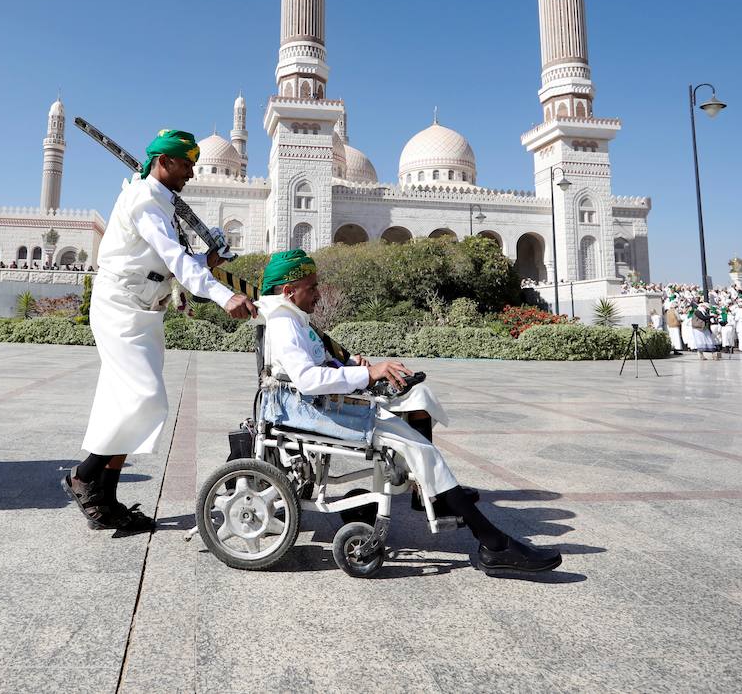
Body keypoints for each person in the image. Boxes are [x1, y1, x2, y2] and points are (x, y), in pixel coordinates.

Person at [257, 249, 561, 575]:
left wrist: (352, 366)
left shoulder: (290, 318)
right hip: (305, 410)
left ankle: (443, 498)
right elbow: (307, 379)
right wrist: (369, 374)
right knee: (418, 447)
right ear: (289, 291)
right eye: (312, 287)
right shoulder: (284, 322)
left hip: (310, 405)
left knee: (415, 414)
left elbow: (310, 367)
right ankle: (493, 544)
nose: (318, 294)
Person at [65, 130, 256, 534]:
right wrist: (224, 296)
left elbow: (174, 262)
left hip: (144, 309)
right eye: (185, 164)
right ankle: (83, 476)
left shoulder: (161, 204)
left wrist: (207, 258)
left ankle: (105, 499)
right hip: (120, 306)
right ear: (163, 162)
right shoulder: (145, 201)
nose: (190, 173)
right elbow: (174, 259)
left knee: (124, 403)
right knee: (144, 398)